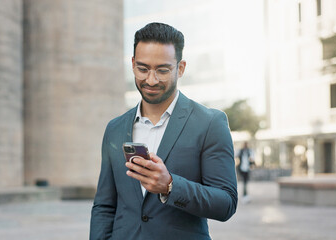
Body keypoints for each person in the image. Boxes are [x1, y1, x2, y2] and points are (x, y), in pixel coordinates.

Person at [90, 22, 237, 240]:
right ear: (132, 64)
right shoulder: (115, 128)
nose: (151, 79)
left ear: (181, 68)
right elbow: (104, 205)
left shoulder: (210, 123)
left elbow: (226, 203)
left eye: (162, 70)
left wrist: (170, 185)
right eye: (143, 68)